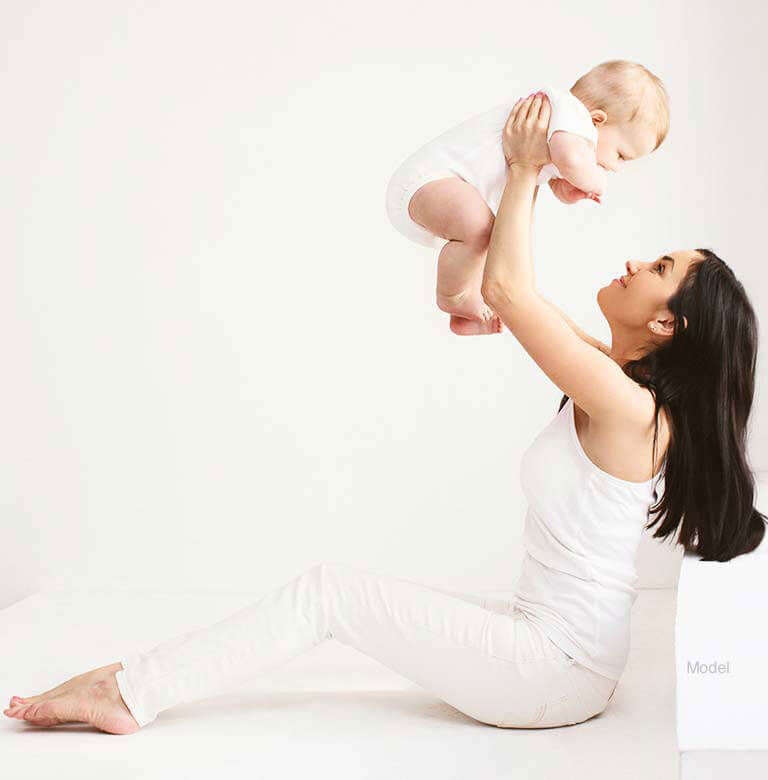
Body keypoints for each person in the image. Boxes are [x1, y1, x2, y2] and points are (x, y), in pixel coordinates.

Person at [4, 94, 764, 735]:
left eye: (659, 270)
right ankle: (137, 676)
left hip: (554, 674)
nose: (635, 262)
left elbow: (510, 294)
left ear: (669, 326)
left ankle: (129, 693)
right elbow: (518, 292)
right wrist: (516, 180)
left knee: (330, 594)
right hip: (550, 654)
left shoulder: (631, 409)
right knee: (338, 619)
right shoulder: (615, 380)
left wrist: (529, 167)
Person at [385, 59, 670, 334]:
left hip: (442, 189)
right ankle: (453, 296)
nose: (616, 167)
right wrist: (597, 181)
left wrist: (574, 190)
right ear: (596, 120)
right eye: (620, 155)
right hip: (428, 180)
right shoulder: (567, 113)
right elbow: (572, 159)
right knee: (480, 227)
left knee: (493, 238)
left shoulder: (558, 138)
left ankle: (466, 310)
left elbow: (558, 185)